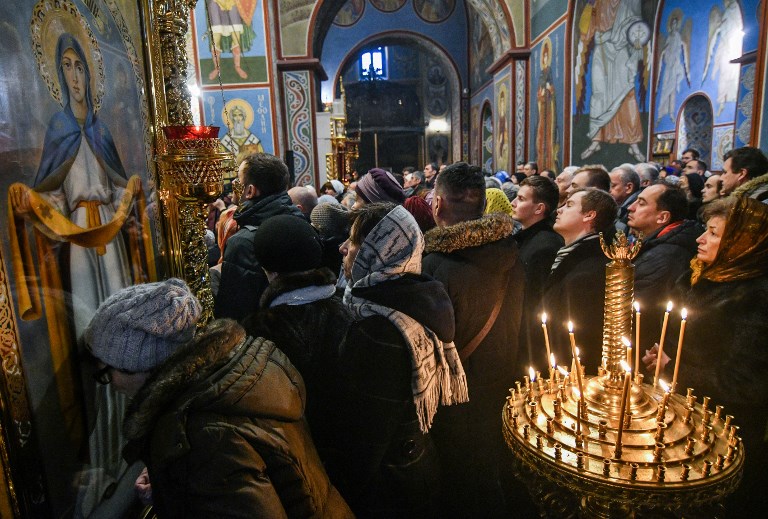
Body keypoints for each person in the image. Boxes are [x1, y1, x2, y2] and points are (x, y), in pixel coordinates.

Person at [85, 278, 352, 517]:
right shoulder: (231, 376)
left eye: (106, 373)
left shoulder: (202, 437)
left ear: (139, 364)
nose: (111, 386)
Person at [338, 202, 468, 517]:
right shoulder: (417, 296)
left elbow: (368, 433)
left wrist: (346, 491)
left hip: (392, 484)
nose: (343, 248)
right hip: (418, 462)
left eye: (353, 242)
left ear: (377, 251)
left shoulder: (381, 327)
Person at [645, 196, 768, 516]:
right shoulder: (699, 275)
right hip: (678, 415)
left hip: (723, 435)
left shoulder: (756, 295)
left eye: (713, 233)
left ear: (743, 243)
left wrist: (677, 370)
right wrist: (662, 355)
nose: (700, 238)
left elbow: (749, 383)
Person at [423, 163, 526, 518]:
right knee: (487, 467)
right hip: (499, 383)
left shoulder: (434, 263)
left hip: (453, 395)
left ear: (437, 205)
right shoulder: (512, 251)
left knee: (458, 479)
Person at [242, 216, 353, 475]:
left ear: (267, 268)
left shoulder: (262, 328)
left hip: (299, 460)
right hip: (350, 451)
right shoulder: (346, 306)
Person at [214, 153, 303, 321]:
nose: (233, 183)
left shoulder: (242, 242)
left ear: (250, 191)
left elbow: (234, 312)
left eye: (238, 179)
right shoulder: (300, 221)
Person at [543, 188, 618, 373]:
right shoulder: (572, 255)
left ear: (589, 215)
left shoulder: (589, 271)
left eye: (569, 205)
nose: (558, 210)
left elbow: (578, 337)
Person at [627, 183, 700, 348]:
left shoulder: (665, 256)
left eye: (641, 203)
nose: (631, 207)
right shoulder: (659, 245)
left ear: (662, 217)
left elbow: (641, 314)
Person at [576, 0, 646, 162]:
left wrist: (632, 39)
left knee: (626, 93)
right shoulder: (597, 4)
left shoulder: (628, 4)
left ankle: (633, 142)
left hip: (620, 50)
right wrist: (589, 7)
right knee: (599, 94)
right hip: (601, 50)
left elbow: (636, 27)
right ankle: (596, 139)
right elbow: (585, 30)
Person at [511, 176, 564, 365]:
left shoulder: (545, 245)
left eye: (521, 199)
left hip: (529, 342)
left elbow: (534, 300)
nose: (513, 203)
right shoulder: (528, 237)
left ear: (539, 208)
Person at [609, 165, 641, 232]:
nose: (609, 190)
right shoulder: (621, 207)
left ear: (629, 187)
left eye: (613, 186)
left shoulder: (635, 210)